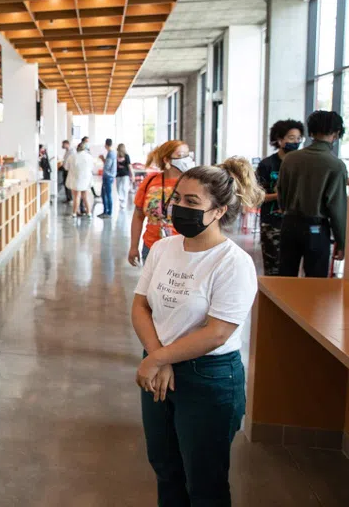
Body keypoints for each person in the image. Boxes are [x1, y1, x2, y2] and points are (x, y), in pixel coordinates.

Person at [133, 157, 264, 506]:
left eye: (192, 202)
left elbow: (217, 332)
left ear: (219, 211)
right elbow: (140, 306)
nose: (179, 208)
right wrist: (157, 357)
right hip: (159, 369)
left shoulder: (232, 263)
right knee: (165, 467)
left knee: (204, 482)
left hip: (208, 378)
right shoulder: (163, 248)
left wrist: (158, 358)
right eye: (177, 199)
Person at [277, 110, 348, 278]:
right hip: (316, 228)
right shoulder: (335, 166)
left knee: (285, 278)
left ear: (311, 132)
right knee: (315, 282)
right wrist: (342, 241)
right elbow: (337, 208)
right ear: (336, 134)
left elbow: (281, 192)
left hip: (289, 224)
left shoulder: (290, 159)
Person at [128, 140, 194, 266]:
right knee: (153, 285)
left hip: (184, 250)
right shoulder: (151, 181)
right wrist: (133, 246)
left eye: (187, 155)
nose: (186, 159)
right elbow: (138, 215)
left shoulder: (193, 182)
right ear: (167, 160)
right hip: (152, 248)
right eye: (181, 155)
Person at [256, 119, 304, 276]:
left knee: (291, 270)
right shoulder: (267, 165)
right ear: (279, 140)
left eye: (298, 138)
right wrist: (280, 195)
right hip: (272, 223)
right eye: (291, 138)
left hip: (297, 222)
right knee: (273, 269)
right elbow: (257, 196)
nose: (295, 142)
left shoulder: (302, 164)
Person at [66, 140, 95, 218]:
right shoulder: (89, 157)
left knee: (76, 197)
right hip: (86, 180)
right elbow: (92, 168)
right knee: (85, 196)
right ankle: (89, 213)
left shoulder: (72, 156)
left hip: (75, 179)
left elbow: (66, 167)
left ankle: (74, 213)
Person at [99, 138, 117, 219]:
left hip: (108, 176)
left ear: (106, 145)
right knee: (104, 194)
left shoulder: (110, 154)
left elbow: (107, 166)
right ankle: (106, 211)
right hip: (109, 176)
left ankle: (108, 212)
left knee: (107, 194)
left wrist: (103, 159)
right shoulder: (112, 153)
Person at [116, 143, 132, 209]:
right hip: (118, 174)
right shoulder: (116, 156)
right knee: (118, 188)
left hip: (125, 175)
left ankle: (124, 203)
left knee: (124, 188)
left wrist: (132, 175)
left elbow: (129, 166)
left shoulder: (126, 156)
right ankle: (121, 198)